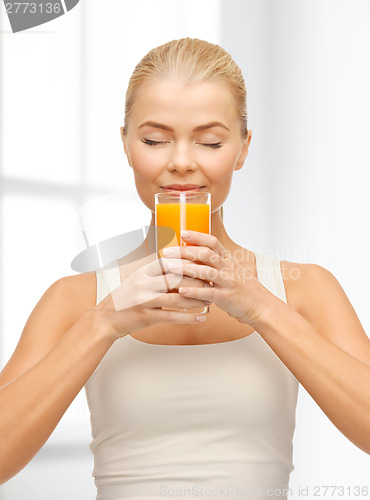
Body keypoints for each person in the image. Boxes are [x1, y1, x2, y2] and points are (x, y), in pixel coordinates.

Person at [0, 37, 369, 499]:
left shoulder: (306, 289)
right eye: (155, 139)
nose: (180, 162)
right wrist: (103, 323)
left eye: (210, 141)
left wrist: (262, 308)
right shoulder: (75, 299)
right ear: (127, 145)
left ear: (243, 148)